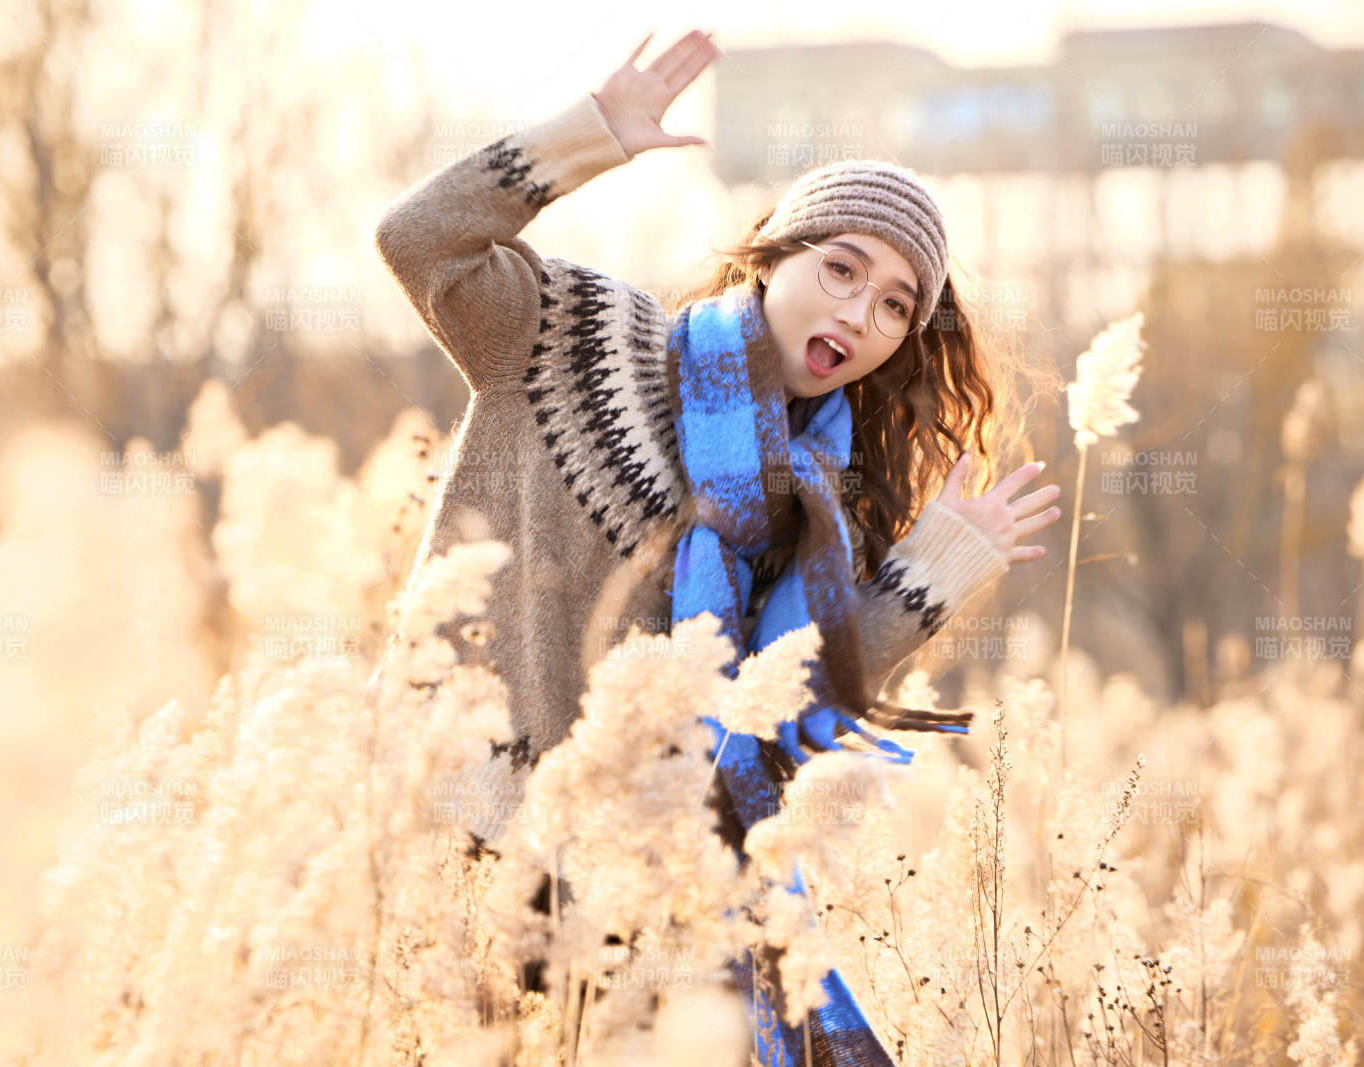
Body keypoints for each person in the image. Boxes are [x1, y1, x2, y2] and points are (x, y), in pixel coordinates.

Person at [373, 27, 1061, 1065]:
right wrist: (585, 136)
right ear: (771, 252)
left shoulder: (821, 510)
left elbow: (785, 710)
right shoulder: (577, 337)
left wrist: (928, 580)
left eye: (893, 306)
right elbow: (419, 241)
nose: (858, 312)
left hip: (646, 889)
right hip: (462, 832)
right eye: (840, 266)